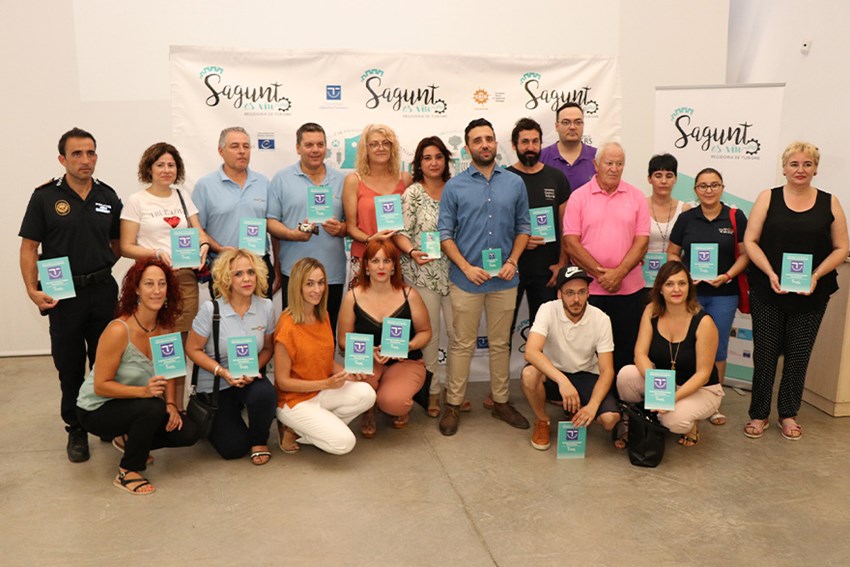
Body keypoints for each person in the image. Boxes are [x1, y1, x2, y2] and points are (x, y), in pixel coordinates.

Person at [19, 127, 123, 462]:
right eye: (77, 154)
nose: (85, 160)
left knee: (106, 360)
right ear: (62, 159)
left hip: (102, 291)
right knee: (70, 365)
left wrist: (97, 267)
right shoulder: (45, 197)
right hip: (62, 295)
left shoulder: (108, 196)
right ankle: (76, 427)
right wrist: (32, 289)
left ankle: (104, 419)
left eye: (90, 153)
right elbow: (29, 247)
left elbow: (117, 244)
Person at [743, 141, 849, 441]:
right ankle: (759, 414)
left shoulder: (830, 202)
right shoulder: (768, 197)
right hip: (768, 289)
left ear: (816, 169)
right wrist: (770, 272)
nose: (800, 169)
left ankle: (788, 414)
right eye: (794, 164)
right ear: (784, 168)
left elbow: (842, 248)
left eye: (807, 164)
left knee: (798, 356)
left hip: (811, 293)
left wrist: (815, 276)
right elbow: (750, 241)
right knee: (765, 355)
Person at [437, 118, 531, 436]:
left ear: (496, 144)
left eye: (489, 139)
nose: (484, 144)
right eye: (477, 140)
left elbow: (523, 227)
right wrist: (466, 267)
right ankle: (453, 404)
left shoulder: (514, 183)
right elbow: (445, 234)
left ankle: (501, 402)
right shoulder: (455, 187)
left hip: (505, 279)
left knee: (501, 344)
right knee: (461, 344)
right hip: (466, 280)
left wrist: (513, 261)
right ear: (467, 148)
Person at [76, 258, 199, 494]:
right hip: (96, 408)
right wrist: (144, 392)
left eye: (162, 284)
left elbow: (169, 372)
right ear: (136, 289)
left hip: (134, 403)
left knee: (188, 432)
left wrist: (171, 404)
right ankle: (128, 470)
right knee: (152, 407)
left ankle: (127, 439)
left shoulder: (166, 328)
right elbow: (101, 386)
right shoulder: (118, 330)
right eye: (149, 284)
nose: (156, 290)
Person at [393, 136, 467, 418]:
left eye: (438, 157)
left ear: (446, 160)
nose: (433, 163)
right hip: (422, 274)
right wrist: (412, 252)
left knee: (459, 336)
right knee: (431, 337)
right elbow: (400, 232)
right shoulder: (412, 193)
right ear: (419, 163)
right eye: (427, 158)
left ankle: (455, 392)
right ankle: (432, 391)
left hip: (457, 273)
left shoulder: (457, 189)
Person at [668, 167, 749, 426]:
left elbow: (745, 255)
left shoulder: (735, 217)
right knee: (686, 346)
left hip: (724, 293)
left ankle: (714, 403)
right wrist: (684, 277)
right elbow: (672, 253)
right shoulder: (686, 218)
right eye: (703, 185)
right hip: (689, 295)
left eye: (714, 185)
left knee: (718, 346)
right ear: (695, 190)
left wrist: (726, 276)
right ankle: (685, 395)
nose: (709, 190)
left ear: (722, 187)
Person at [564, 142, 650, 374]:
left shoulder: (637, 197)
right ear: (596, 164)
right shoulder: (578, 197)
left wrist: (619, 273)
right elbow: (571, 243)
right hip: (589, 290)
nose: (614, 168)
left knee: (626, 350)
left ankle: (622, 395)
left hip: (629, 290)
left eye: (619, 164)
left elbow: (642, 242)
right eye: (609, 163)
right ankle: (591, 394)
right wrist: (602, 274)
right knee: (587, 352)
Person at [274, 257, 376, 455]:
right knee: (344, 443)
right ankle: (291, 426)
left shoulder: (323, 315)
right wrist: (326, 384)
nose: (317, 289)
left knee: (367, 393)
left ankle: (298, 431)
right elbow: (283, 382)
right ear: (297, 286)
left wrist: (347, 373)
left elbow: (325, 359)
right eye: (310, 284)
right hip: (294, 401)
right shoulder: (287, 325)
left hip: (321, 392)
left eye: (321, 282)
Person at [617, 261, 724, 447]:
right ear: (660, 289)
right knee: (626, 375)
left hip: (701, 389)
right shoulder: (651, 311)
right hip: (665, 384)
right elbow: (640, 354)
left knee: (673, 420)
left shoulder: (704, 322)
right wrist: (656, 386)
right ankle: (631, 425)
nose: (676, 289)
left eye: (682, 283)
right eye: (669, 284)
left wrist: (670, 398)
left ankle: (690, 425)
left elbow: (703, 374)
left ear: (689, 287)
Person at [185, 249, 278, 464]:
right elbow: (192, 349)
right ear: (227, 278)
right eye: (238, 274)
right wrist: (222, 372)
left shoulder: (266, 307)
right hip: (217, 383)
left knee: (265, 394)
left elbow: (267, 349)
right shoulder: (211, 309)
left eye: (251, 272)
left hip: (248, 377)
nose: (246, 279)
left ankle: (259, 441)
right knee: (234, 448)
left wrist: (253, 371)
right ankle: (222, 420)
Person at [521, 267, 623, 451]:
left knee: (610, 420)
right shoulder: (547, 309)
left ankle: (577, 406)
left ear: (588, 293)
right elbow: (531, 352)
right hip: (554, 375)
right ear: (559, 294)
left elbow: (607, 370)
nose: (576, 299)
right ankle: (542, 421)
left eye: (581, 292)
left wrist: (592, 406)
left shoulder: (601, 319)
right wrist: (563, 382)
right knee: (529, 374)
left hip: (585, 374)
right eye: (569, 293)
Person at [337, 240, 430, 437]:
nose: (381, 267)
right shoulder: (352, 297)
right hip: (367, 360)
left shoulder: (410, 295)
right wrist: (367, 350)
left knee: (393, 402)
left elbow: (425, 332)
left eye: (386, 261)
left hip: (405, 361)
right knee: (356, 394)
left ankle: (391, 401)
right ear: (366, 266)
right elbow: (343, 340)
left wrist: (408, 345)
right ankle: (369, 409)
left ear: (394, 266)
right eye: (375, 261)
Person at [120, 143, 210, 338]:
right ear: (149, 169)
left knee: (183, 335)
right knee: (155, 335)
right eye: (160, 165)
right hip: (153, 278)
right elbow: (126, 247)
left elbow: (199, 232)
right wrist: (156, 253)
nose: (166, 170)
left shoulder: (182, 196)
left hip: (184, 277)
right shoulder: (136, 200)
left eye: (171, 165)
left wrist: (204, 245)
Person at [267, 123, 347, 334]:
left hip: (331, 274)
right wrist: (291, 234)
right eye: (309, 145)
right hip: (295, 273)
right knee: (293, 334)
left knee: (326, 334)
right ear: (298, 147)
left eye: (320, 144)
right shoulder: (281, 179)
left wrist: (341, 228)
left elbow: (353, 224)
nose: (315, 150)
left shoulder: (342, 180)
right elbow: (271, 221)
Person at [506, 117, 570, 346]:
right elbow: (496, 225)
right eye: (525, 142)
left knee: (545, 335)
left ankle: (538, 371)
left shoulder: (556, 178)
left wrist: (562, 263)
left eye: (535, 141)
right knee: (503, 333)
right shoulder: (504, 179)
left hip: (547, 272)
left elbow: (566, 227)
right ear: (514, 145)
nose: (530, 147)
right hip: (511, 270)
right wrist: (520, 239)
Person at [192, 127, 277, 295]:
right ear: (221, 151)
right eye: (235, 146)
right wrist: (219, 248)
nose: (242, 151)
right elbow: (197, 229)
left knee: (262, 312)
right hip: (223, 266)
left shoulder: (263, 183)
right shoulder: (205, 186)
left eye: (246, 146)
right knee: (224, 312)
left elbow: (273, 225)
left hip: (259, 267)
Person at [343, 124, 413, 287]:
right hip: (364, 257)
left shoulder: (405, 179)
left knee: (395, 303)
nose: (380, 148)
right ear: (365, 149)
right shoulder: (354, 181)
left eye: (385, 143)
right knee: (361, 302)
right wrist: (370, 239)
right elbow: (351, 227)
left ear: (392, 147)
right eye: (374, 144)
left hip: (396, 259)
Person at [644, 153, 689, 288]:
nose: (664, 181)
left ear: (675, 179)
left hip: (675, 277)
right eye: (658, 176)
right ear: (649, 179)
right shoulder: (639, 207)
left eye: (669, 176)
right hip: (643, 274)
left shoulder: (685, 209)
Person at [539, 102, 597, 192]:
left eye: (578, 122)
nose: (572, 127)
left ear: (583, 125)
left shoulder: (597, 157)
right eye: (566, 122)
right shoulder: (541, 157)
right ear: (557, 126)